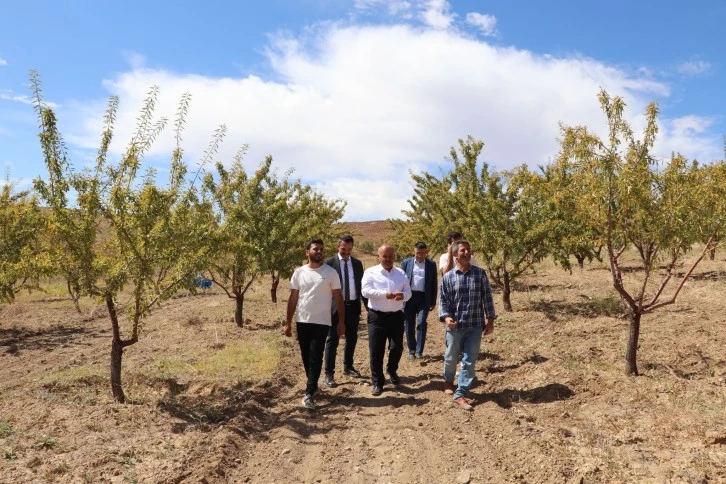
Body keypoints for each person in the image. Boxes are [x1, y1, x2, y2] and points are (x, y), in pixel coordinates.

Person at [283, 239, 345, 410]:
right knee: (306, 357)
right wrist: (288, 323)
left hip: (322, 321)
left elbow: (339, 299)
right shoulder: (299, 272)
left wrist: (341, 322)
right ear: (307, 252)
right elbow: (293, 298)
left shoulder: (330, 272)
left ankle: (309, 393)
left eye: (321, 249)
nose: (319, 251)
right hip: (302, 320)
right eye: (315, 249)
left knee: (316, 356)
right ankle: (314, 385)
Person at [438, 239, 496, 411]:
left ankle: (460, 393)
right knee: (450, 357)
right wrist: (446, 318)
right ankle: (448, 380)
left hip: (475, 325)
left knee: (469, 361)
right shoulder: (448, 277)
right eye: (463, 250)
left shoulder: (480, 274)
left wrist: (490, 320)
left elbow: (487, 298)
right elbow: (443, 302)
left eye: (469, 250)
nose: (467, 253)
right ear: (455, 254)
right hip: (455, 327)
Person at [361, 244, 411, 396]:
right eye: (385, 256)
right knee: (376, 350)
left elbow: (408, 292)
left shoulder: (401, 273)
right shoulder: (370, 272)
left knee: (397, 348)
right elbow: (365, 291)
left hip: (396, 315)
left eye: (391, 256)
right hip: (377, 316)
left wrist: (404, 296)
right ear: (378, 257)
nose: (388, 259)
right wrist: (385, 294)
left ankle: (392, 370)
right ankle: (377, 382)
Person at [323, 235, 367, 387]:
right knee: (332, 339)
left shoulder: (357, 263)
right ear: (338, 247)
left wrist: (368, 307)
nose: (346, 252)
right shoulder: (329, 263)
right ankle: (329, 373)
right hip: (334, 307)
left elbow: (361, 286)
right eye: (343, 249)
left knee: (352, 337)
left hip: (352, 306)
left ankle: (348, 366)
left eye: (349, 249)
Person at [401, 242, 437, 359]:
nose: (420, 256)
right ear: (413, 251)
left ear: (426, 252)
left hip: (423, 298)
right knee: (409, 324)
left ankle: (419, 350)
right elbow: (401, 280)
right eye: (418, 253)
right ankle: (411, 350)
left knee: (421, 322)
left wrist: (433, 301)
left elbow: (434, 283)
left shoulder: (431, 264)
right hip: (409, 297)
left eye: (423, 253)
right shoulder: (406, 263)